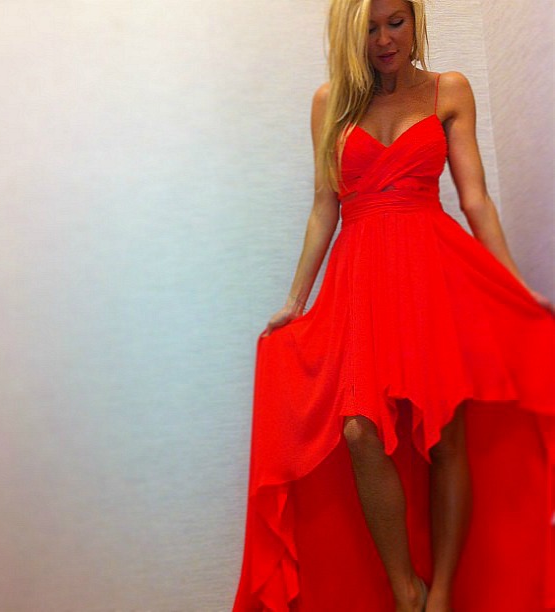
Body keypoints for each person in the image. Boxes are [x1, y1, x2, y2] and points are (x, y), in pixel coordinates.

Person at [233, 1, 555, 611]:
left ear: (415, 21)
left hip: (431, 270)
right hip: (360, 275)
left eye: (395, 22)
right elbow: (324, 206)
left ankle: (444, 594)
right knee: (359, 429)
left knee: (446, 430)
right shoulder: (330, 103)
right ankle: (406, 590)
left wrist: (514, 284)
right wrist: (295, 300)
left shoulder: (448, 90)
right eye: (369, 28)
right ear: (348, 35)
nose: (384, 39)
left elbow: (476, 200)